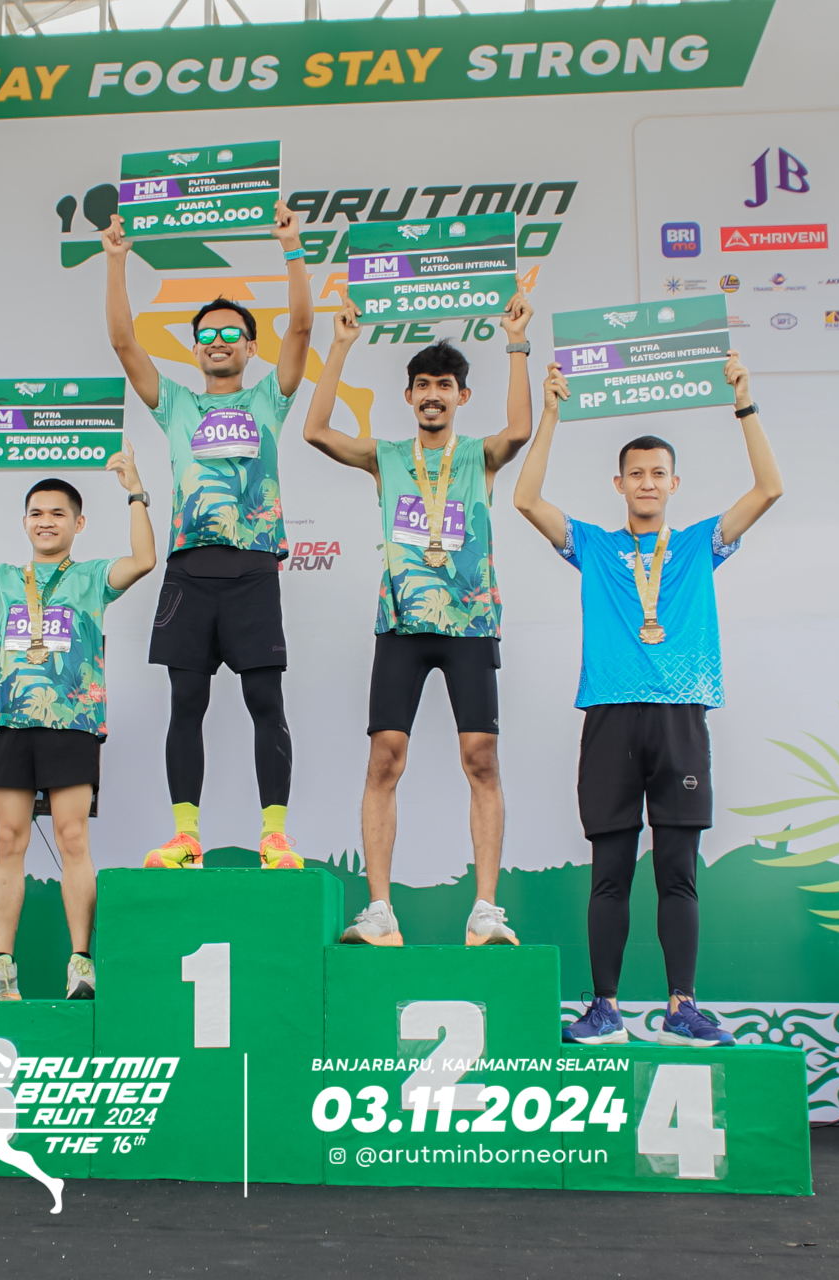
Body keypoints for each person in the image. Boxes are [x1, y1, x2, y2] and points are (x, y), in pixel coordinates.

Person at [512, 351, 782, 1047]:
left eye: (658, 473)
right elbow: (525, 501)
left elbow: (769, 488)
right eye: (635, 473)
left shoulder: (698, 545)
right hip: (609, 716)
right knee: (608, 873)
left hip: (680, 718)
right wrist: (550, 415)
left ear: (673, 483)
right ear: (619, 483)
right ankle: (604, 1008)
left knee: (676, 873)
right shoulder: (594, 546)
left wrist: (743, 401)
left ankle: (681, 1007)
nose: (647, 483)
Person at [304, 297, 539, 946]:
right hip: (401, 625)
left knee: (480, 757)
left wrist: (516, 341)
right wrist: (340, 346)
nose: (433, 395)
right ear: (408, 396)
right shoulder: (386, 457)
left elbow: (520, 429)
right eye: (423, 385)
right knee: (385, 757)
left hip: (470, 624)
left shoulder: (480, 456)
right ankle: (380, 910)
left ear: (462, 396)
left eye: (444, 385)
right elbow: (316, 431)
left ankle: (485, 910)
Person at [102, 206, 313, 870]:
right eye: (206, 335)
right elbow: (123, 343)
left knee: (264, 701)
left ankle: (274, 836)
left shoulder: (269, 400)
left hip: (252, 570)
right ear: (195, 349)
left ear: (250, 348)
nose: (217, 341)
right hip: (188, 573)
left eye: (231, 333)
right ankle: (185, 837)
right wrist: (115, 260)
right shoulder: (176, 405)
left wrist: (291, 248)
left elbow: (302, 327)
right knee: (186, 703)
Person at [0, 443, 157, 1001]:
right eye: (35, 513)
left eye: (57, 513)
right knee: (8, 839)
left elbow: (144, 560)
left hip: (72, 723)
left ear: (78, 523)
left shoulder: (93, 577)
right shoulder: (4, 580)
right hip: (8, 723)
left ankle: (81, 962)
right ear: (24, 522)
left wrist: (135, 492)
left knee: (73, 837)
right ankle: (2, 966)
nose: (45, 521)